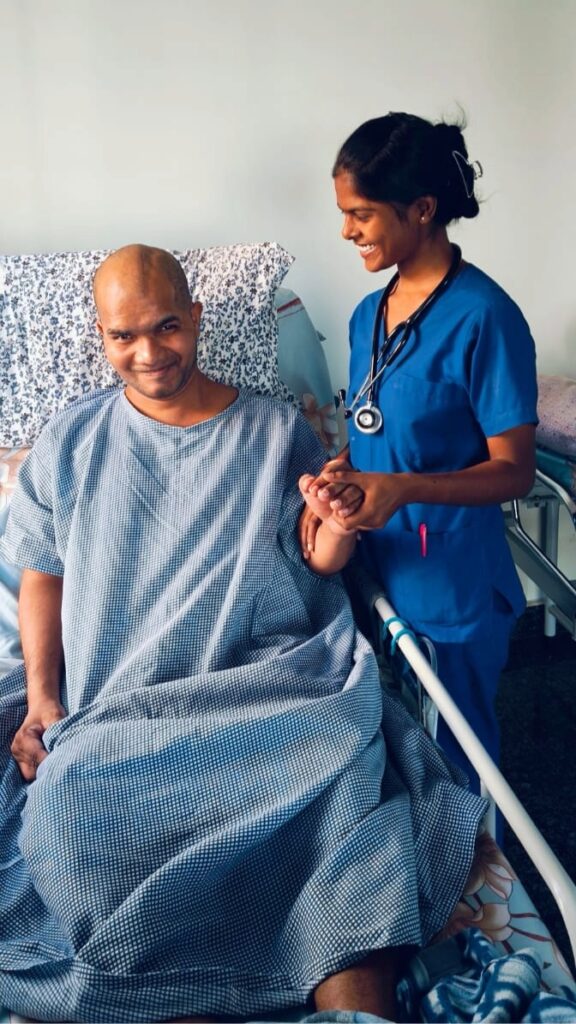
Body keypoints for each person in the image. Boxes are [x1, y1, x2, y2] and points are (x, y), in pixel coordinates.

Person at [0, 244, 486, 1024]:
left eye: (166, 327)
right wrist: (43, 700)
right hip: (126, 711)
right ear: (102, 338)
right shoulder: (70, 441)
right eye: (125, 336)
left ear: (196, 318)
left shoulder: (274, 431)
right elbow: (42, 572)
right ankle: (180, 999)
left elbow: (318, 560)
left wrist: (337, 521)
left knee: (347, 806)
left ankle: (353, 1010)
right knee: (70, 817)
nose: (149, 352)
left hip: (275, 690)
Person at [301, 112, 538, 794]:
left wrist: (403, 488)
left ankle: (480, 850)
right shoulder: (366, 317)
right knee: (399, 744)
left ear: (423, 209)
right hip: (380, 562)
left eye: (362, 214)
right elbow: (377, 427)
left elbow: (514, 470)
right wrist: (346, 472)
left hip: (450, 578)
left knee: (460, 755)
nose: (347, 231)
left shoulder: (485, 318)